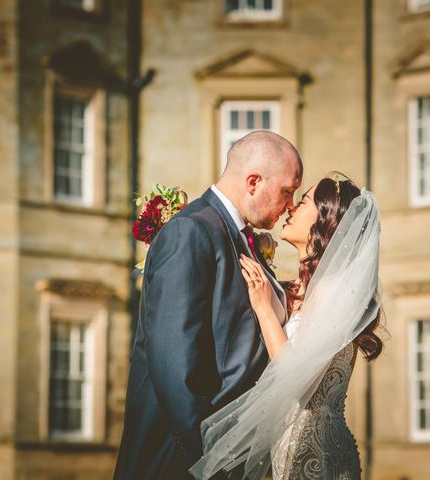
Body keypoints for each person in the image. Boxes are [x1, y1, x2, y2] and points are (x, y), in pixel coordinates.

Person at [114, 131, 303, 480]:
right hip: (180, 460)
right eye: (287, 191)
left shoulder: (236, 236)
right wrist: (209, 458)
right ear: (253, 182)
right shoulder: (192, 231)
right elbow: (175, 364)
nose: (290, 204)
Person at [190, 176, 383, 480]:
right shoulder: (300, 290)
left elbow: (296, 379)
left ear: (325, 219)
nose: (291, 207)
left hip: (316, 453)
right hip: (289, 447)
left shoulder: (331, 290)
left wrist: (265, 309)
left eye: (303, 201)